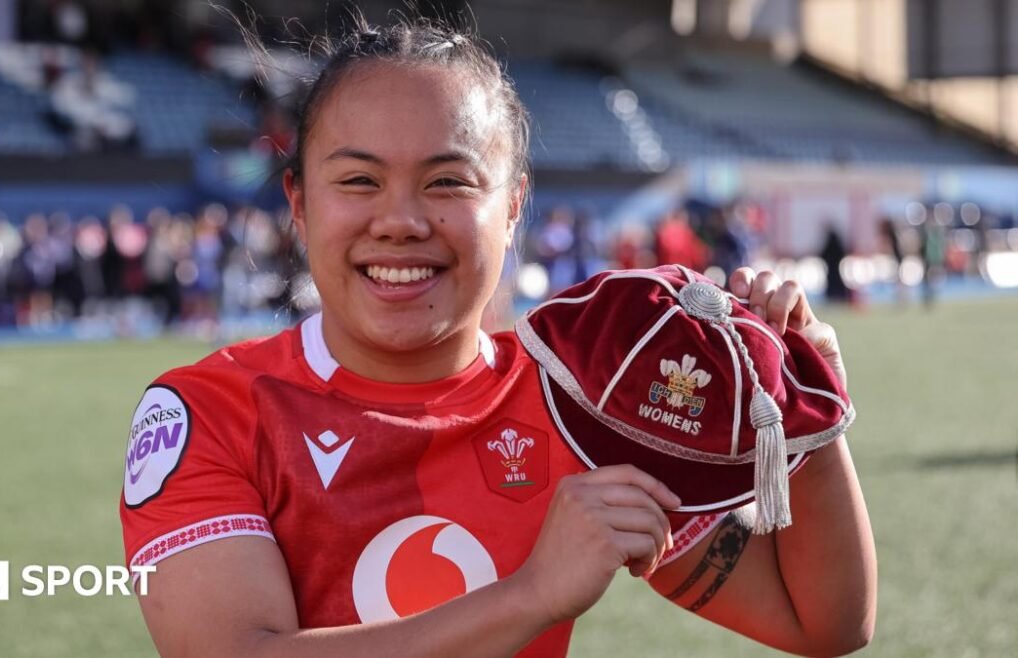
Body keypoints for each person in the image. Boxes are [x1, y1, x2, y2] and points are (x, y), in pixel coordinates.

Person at [119, 17, 875, 657]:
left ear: (514, 206)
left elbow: (824, 623)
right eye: (358, 181)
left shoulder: (583, 401)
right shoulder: (207, 412)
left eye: (449, 182)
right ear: (299, 204)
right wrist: (532, 596)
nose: (402, 220)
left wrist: (803, 408)